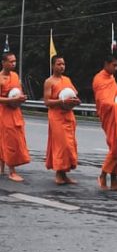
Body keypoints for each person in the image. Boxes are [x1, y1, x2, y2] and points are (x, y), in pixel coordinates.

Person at [92, 55, 117, 192]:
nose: (116, 68)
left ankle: (114, 182)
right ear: (106, 64)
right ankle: (103, 174)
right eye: (113, 65)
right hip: (109, 116)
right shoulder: (98, 79)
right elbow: (102, 102)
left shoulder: (112, 79)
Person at [43, 55, 81, 185]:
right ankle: (59, 173)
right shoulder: (49, 82)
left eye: (63, 64)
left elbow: (74, 96)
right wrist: (62, 101)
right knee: (61, 145)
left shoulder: (67, 80)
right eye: (59, 64)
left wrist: (76, 101)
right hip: (56, 116)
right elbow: (47, 102)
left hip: (68, 116)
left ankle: (65, 174)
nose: (62, 66)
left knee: (69, 145)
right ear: (53, 66)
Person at [0, 52, 30, 182]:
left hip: (15, 112)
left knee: (11, 140)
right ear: (3, 63)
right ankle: (11, 171)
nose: (13, 64)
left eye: (15, 61)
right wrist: (10, 100)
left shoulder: (15, 76)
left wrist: (21, 98)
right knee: (9, 141)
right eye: (11, 61)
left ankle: (3, 168)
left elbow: (18, 91)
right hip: (4, 112)